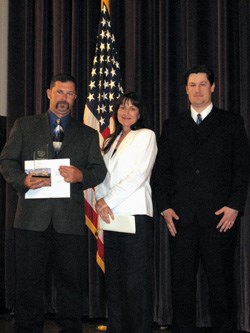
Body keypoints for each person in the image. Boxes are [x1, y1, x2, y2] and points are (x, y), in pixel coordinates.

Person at [0, 73, 107, 333]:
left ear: (75, 98)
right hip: (31, 220)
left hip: (69, 222)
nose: (64, 99)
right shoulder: (25, 125)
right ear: (49, 93)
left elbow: (99, 171)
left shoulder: (88, 134)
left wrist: (82, 175)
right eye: (60, 92)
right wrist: (23, 180)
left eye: (70, 94)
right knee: (28, 283)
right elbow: (7, 161)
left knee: (71, 285)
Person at [153, 65, 250, 333]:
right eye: (192, 85)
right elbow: (161, 172)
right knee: (182, 285)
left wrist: (234, 206)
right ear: (186, 90)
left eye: (203, 84)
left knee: (220, 284)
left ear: (213, 88)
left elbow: (242, 169)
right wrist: (165, 208)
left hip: (220, 219)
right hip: (181, 219)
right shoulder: (172, 125)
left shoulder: (231, 122)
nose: (198, 89)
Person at [95, 92, 158, 333]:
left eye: (132, 108)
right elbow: (103, 176)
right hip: (111, 217)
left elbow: (139, 176)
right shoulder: (110, 140)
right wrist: (100, 199)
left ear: (140, 113)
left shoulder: (146, 136)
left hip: (135, 215)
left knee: (136, 282)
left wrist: (106, 200)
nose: (126, 112)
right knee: (115, 280)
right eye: (122, 107)